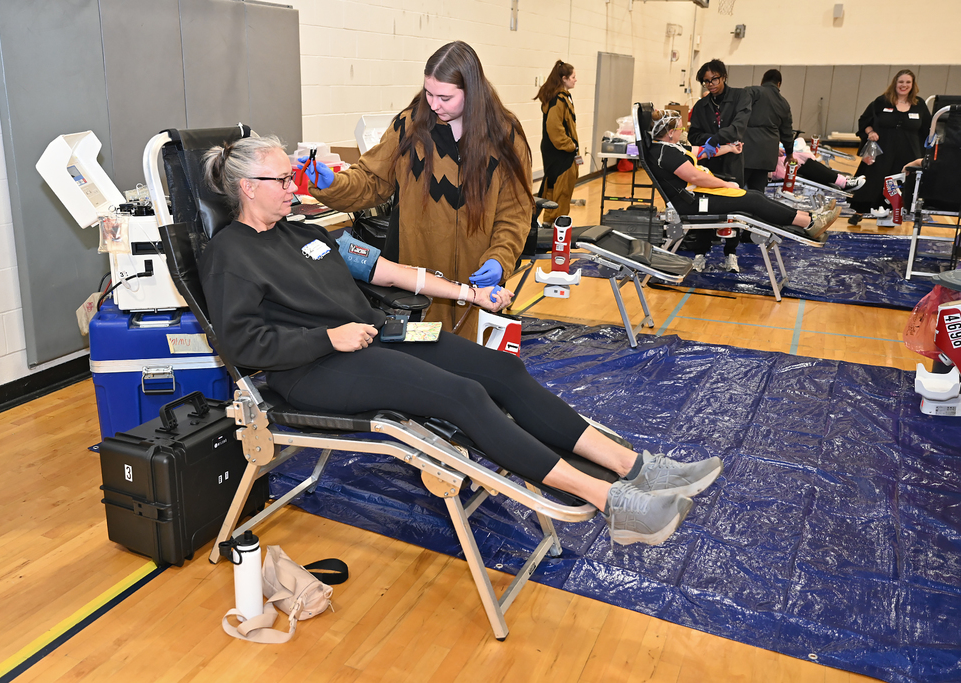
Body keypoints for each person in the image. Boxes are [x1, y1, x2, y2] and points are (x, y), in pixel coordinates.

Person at [198, 134, 725, 546]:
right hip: (315, 368)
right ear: (247, 187)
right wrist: (326, 337)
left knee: (502, 372)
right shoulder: (230, 255)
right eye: (284, 180)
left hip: (376, 336)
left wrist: (469, 294)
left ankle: (636, 467)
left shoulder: (306, 231)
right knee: (464, 397)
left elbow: (380, 270)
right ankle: (614, 502)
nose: (296, 187)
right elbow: (242, 345)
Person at [302, 41, 534, 341]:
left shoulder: (505, 135)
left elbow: (515, 212)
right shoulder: (410, 127)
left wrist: (499, 259)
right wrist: (332, 184)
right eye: (429, 93)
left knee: (472, 368)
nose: (434, 104)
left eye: (445, 97)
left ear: (473, 92)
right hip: (418, 287)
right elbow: (372, 180)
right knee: (425, 366)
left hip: (478, 285)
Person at [646, 110, 839, 253]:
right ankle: (808, 223)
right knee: (753, 201)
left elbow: (701, 151)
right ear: (670, 132)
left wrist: (729, 148)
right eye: (680, 128)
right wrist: (724, 184)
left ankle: (809, 216)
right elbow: (694, 177)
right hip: (692, 203)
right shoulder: (665, 152)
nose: (682, 131)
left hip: (697, 196)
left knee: (754, 195)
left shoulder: (671, 148)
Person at [687, 59, 753, 272]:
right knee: (705, 209)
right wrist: (713, 141)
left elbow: (738, 127)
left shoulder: (740, 96)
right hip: (708, 166)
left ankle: (731, 254)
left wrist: (714, 140)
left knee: (733, 210)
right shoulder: (701, 106)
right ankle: (700, 253)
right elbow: (693, 136)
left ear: (723, 76)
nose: (711, 84)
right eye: (706, 81)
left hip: (732, 163)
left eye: (714, 79)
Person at [848, 69, 931, 224]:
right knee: (873, 179)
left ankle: (894, 213)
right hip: (882, 150)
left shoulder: (919, 105)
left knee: (899, 184)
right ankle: (859, 212)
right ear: (895, 83)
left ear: (913, 85)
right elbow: (865, 121)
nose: (904, 85)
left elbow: (927, 130)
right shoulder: (881, 102)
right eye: (901, 82)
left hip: (908, 153)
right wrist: (870, 132)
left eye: (908, 82)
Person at [535, 60, 580, 224]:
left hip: (555, 151)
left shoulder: (561, 97)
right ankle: (557, 224)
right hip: (560, 152)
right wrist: (570, 146)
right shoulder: (558, 100)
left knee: (554, 189)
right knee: (561, 190)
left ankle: (549, 221)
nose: (576, 80)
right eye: (573, 77)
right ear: (564, 78)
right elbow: (554, 128)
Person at [743, 69, 795, 193]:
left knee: (736, 190)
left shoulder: (750, 91)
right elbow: (787, 133)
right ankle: (755, 212)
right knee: (758, 192)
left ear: (762, 81)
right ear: (779, 84)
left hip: (746, 150)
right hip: (766, 154)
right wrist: (789, 154)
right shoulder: (784, 103)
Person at [772, 145, 866, 192]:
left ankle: (841, 181)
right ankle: (842, 182)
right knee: (801, 162)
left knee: (801, 159)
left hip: (769, 157)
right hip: (767, 163)